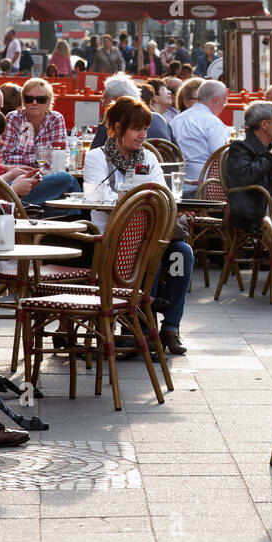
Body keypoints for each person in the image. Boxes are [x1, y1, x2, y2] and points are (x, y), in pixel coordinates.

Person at [83, 98, 192, 355]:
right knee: (146, 251)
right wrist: (138, 198)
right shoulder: (97, 158)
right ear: (118, 127)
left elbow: (160, 196)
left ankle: (170, 327)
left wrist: (133, 199)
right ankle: (139, 325)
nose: (143, 135)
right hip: (111, 236)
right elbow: (98, 200)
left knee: (181, 254)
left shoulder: (149, 158)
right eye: (137, 129)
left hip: (150, 232)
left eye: (145, 129)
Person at [0, 77, 79, 207]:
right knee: (67, 181)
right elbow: (3, 158)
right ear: (24, 101)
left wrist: (27, 160)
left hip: (45, 179)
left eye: (41, 99)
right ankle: (82, 223)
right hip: (18, 181)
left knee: (62, 188)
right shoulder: (13, 118)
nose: (34, 103)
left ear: (48, 102)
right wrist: (41, 157)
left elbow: (59, 158)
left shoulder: (55, 119)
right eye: (29, 99)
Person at [223, 101, 272, 231]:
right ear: (264, 124)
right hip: (254, 208)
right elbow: (243, 176)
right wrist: (270, 158)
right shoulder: (240, 147)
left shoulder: (270, 147)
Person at [172, 79, 232, 183]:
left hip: (178, 182)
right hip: (206, 185)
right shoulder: (213, 123)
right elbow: (223, 158)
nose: (224, 107)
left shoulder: (177, 119)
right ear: (216, 100)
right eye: (224, 102)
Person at [90, 75, 173, 147]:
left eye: (105, 98)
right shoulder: (160, 120)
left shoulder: (110, 118)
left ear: (117, 99)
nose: (103, 104)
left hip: (129, 165)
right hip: (165, 165)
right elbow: (177, 155)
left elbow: (96, 151)